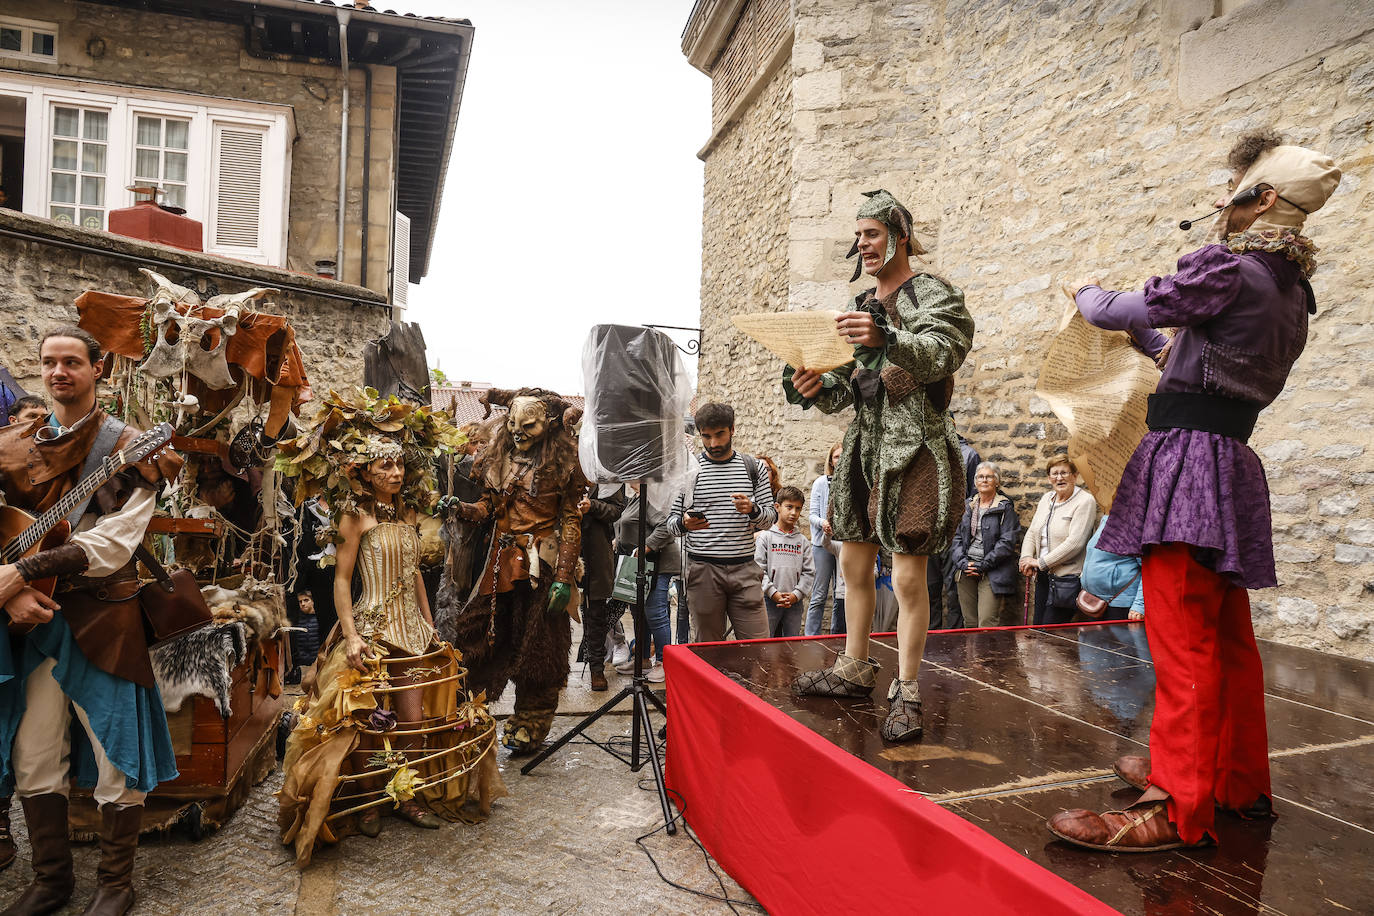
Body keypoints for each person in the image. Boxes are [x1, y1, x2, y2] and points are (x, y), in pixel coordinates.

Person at [1048, 131, 1341, 853]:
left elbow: (1134, 306)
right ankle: (1233, 780)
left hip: (1185, 463)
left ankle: (1176, 804)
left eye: (1235, 188)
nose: (1221, 201)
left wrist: (1088, 297)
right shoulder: (1290, 290)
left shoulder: (1230, 265)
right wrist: (1149, 346)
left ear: (1264, 198)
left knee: (1181, 643)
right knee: (1227, 641)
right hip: (1228, 460)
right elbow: (1201, 355)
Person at [0, 327, 181, 915]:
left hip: (105, 618)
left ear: (98, 369)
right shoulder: (15, 447)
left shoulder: (130, 446)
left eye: (72, 362)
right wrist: (10, 597)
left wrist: (22, 572)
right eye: (49, 362)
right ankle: (52, 880)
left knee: (114, 753)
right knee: (33, 752)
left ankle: (114, 885)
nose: (58, 372)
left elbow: (116, 542)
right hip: (31, 623)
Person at [784, 189, 974, 742]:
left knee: (910, 578)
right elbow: (849, 390)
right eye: (859, 236)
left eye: (870, 233)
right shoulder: (862, 305)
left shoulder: (935, 293)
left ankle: (908, 690)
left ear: (899, 235)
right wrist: (813, 386)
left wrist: (886, 336)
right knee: (853, 567)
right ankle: (854, 667)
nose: (862, 244)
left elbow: (944, 352)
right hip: (865, 451)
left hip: (916, 450)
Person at [445, 388, 586, 754]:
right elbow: (488, 508)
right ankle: (468, 712)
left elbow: (571, 520)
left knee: (541, 649)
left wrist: (564, 577)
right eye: (513, 424)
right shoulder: (500, 457)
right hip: (501, 566)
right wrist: (463, 508)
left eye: (529, 425)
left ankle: (531, 723)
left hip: (543, 567)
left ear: (550, 424)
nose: (519, 431)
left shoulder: (564, 461)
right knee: (477, 639)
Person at [666, 403, 776, 642]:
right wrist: (685, 524)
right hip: (703, 572)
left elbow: (770, 519)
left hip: (745, 570)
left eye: (719, 435)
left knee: (758, 648)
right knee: (709, 651)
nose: (713, 443)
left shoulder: (753, 468)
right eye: (706, 436)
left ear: (733, 429)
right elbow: (671, 524)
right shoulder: (689, 470)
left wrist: (753, 510)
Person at [1018, 456, 1098, 626]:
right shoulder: (1046, 499)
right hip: (1043, 576)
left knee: (1050, 631)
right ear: (1049, 478)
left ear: (1075, 476)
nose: (1059, 478)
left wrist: (1040, 562)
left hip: (1067, 579)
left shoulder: (1085, 501)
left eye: (1064, 473)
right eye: (1054, 473)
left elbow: (1075, 543)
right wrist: (1025, 558)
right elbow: (1033, 532)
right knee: (1038, 627)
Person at [613, 482, 676, 682]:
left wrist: (646, 546)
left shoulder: (653, 498)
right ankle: (642, 660)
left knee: (655, 613)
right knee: (639, 613)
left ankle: (664, 663)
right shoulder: (636, 498)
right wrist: (619, 539)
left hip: (657, 564)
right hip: (637, 565)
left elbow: (666, 526)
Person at [949, 462, 1022, 627]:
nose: (984, 480)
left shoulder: (1005, 508)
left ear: (997, 481)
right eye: (980, 477)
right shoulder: (968, 506)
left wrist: (983, 565)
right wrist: (963, 563)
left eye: (989, 477)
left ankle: (984, 654)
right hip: (966, 569)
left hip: (992, 570)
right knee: (970, 623)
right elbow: (957, 537)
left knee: (986, 623)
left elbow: (1007, 542)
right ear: (975, 482)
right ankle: (971, 654)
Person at [578, 484, 625, 692]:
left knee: (595, 614)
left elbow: (615, 510)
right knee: (555, 610)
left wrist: (593, 506)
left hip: (595, 552)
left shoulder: (606, 475)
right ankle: (555, 669)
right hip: (564, 548)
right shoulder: (561, 466)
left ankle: (596, 669)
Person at [754, 485, 815, 638]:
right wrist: (772, 592)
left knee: (791, 644)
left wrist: (796, 594)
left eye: (798, 508)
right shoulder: (766, 537)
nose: (794, 513)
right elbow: (758, 568)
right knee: (765, 642)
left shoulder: (802, 542)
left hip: (794, 603)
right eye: (789, 507)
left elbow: (809, 572)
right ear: (777, 507)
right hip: (768, 601)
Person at [804, 442, 842, 636]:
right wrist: (823, 523)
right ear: (831, 460)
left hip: (843, 544)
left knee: (840, 595)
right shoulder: (821, 483)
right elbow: (811, 515)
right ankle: (811, 636)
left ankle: (836, 636)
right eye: (836, 456)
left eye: (843, 456)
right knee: (819, 594)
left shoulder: (850, 484)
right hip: (821, 544)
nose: (840, 459)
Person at [1081, 516, 1144, 621]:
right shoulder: (1106, 519)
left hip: (1120, 604)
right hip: (1094, 600)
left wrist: (1139, 605)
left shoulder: (1136, 525)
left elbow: (1148, 569)